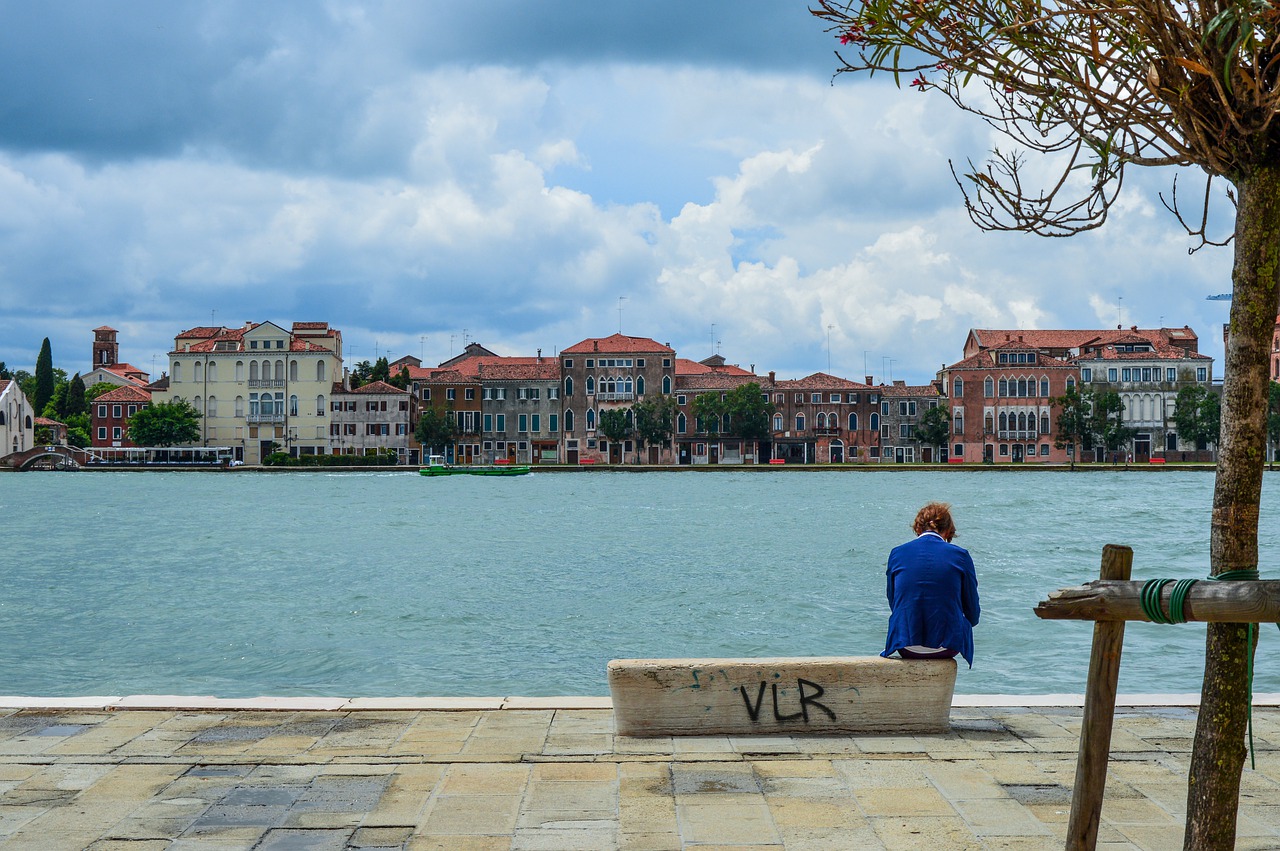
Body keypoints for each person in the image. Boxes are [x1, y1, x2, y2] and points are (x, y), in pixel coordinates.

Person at [881, 502, 980, 667]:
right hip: (947, 647)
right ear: (948, 531)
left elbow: (893, 601)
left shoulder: (897, 553)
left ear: (918, 528)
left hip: (905, 645)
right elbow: (973, 613)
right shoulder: (961, 555)